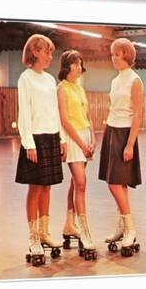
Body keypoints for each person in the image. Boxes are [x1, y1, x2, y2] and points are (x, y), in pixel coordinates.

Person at [15, 34, 66, 266]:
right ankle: (33, 237)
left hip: (52, 135)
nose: (50, 56)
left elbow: (55, 111)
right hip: (34, 137)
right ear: (35, 52)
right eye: (47, 52)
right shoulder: (25, 79)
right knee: (35, 188)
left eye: (51, 53)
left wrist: (62, 138)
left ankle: (45, 232)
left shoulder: (49, 80)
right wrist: (28, 143)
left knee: (47, 187)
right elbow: (24, 112)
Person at [98, 38, 144, 257]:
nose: (113, 57)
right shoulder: (116, 80)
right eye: (112, 54)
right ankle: (122, 226)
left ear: (127, 55)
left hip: (125, 133)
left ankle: (130, 228)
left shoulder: (135, 81)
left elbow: (138, 114)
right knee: (118, 184)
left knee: (115, 184)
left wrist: (130, 144)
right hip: (112, 130)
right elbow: (113, 108)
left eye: (117, 54)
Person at [57, 50, 97, 261]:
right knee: (81, 183)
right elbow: (64, 120)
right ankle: (85, 230)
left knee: (75, 184)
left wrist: (92, 136)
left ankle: (69, 225)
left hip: (84, 136)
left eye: (80, 63)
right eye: (75, 63)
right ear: (67, 66)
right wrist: (81, 143)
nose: (79, 67)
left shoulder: (80, 88)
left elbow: (87, 115)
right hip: (73, 139)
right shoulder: (61, 89)